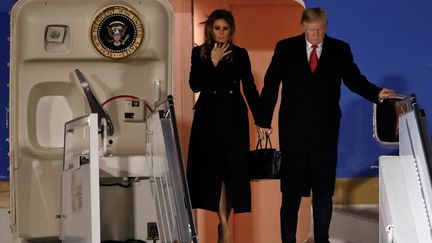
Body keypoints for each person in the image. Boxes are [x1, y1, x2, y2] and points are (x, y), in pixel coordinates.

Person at [256, 7, 395, 243]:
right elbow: (271, 84)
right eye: (311, 30)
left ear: (326, 26)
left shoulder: (340, 49)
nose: (315, 34)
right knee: (290, 193)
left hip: (325, 132)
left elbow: (354, 79)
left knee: (323, 192)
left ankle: (323, 239)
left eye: (320, 30)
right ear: (302, 27)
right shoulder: (285, 48)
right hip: (293, 131)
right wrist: (263, 120)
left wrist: (376, 93)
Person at [186, 9, 260, 243]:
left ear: (231, 30)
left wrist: (262, 120)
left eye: (225, 28)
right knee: (213, 172)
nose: (221, 32)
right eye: (217, 28)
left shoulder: (240, 54)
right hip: (208, 119)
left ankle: (224, 223)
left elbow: (249, 88)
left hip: (234, 119)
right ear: (210, 29)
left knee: (232, 174)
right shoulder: (199, 53)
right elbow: (195, 85)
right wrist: (213, 62)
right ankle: (225, 226)